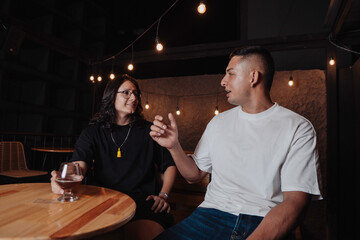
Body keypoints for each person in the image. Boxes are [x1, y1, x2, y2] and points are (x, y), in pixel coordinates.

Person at [150, 46, 322, 239]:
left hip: (263, 219)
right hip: (210, 215)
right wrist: (174, 146)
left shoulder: (298, 128)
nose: (223, 81)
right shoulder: (218, 122)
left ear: (253, 77)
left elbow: (295, 203)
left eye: (230, 74)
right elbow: (194, 175)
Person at [51, 74, 177, 240]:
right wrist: (63, 180)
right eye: (126, 92)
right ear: (111, 97)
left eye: (135, 93)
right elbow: (79, 165)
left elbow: (169, 165)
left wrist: (163, 195)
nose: (133, 97)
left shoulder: (149, 131)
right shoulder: (93, 132)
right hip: (103, 201)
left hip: (142, 201)